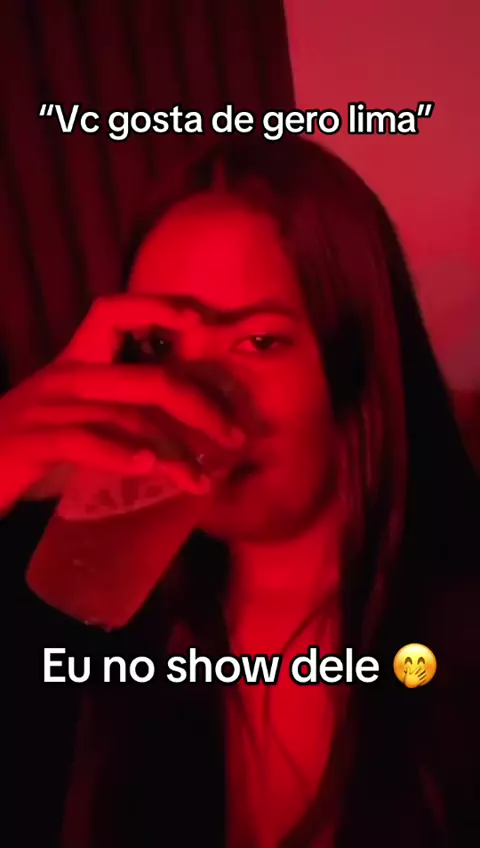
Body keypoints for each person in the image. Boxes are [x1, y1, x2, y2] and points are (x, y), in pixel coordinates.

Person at [7, 136, 480, 848]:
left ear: (357, 359)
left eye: (258, 342)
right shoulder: (84, 612)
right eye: (160, 345)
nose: (193, 401)